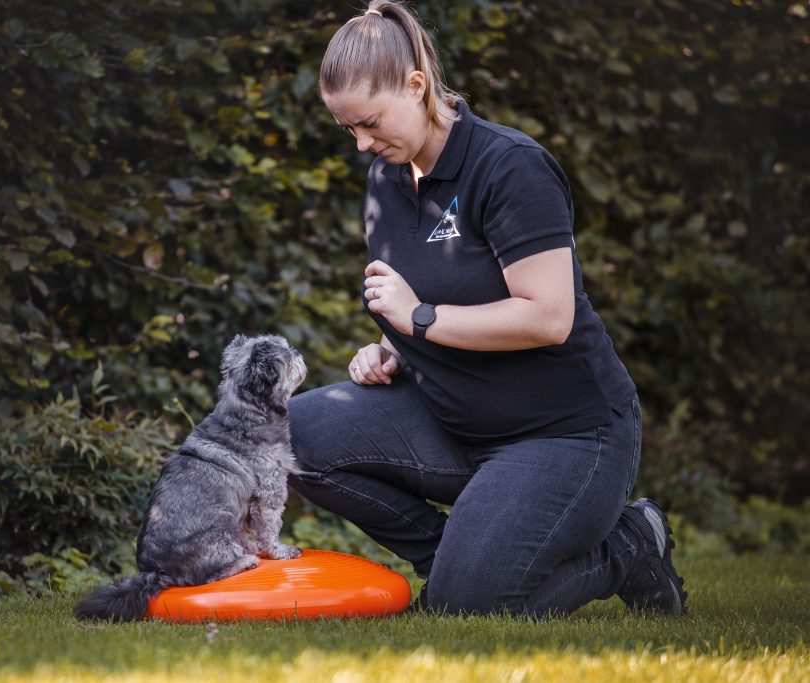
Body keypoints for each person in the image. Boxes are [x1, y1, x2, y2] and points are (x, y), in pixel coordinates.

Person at [287, 0, 688, 617]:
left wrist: (418, 318)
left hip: (568, 433)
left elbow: (546, 318)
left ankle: (632, 544)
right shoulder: (386, 179)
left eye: (369, 122)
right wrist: (391, 349)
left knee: (469, 605)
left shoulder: (509, 167)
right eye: (349, 130)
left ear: (416, 86)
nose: (363, 143)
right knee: (288, 436)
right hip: (453, 422)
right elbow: (433, 298)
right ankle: (454, 561)